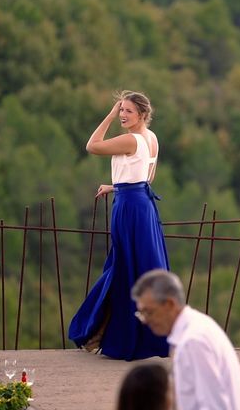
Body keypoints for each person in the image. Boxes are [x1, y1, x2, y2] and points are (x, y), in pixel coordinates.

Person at [68, 91, 170, 360]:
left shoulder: (130, 139)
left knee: (125, 267)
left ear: (142, 115)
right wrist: (116, 186)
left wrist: (109, 116)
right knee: (141, 266)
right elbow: (146, 177)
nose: (123, 115)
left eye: (128, 111)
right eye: (121, 110)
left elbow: (92, 145)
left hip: (128, 208)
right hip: (142, 205)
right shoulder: (152, 138)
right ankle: (139, 335)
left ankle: (114, 334)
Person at [131, 269, 240, 410]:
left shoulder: (192, 342)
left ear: (170, 305)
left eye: (148, 312)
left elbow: (214, 406)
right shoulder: (195, 326)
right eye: (141, 314)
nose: (145, 321)